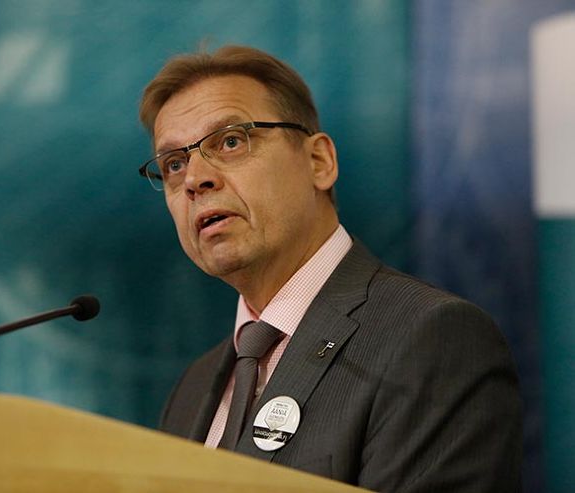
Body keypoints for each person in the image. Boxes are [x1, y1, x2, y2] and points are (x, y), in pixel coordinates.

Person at [137, 45, 522, 492]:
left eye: (231, 141)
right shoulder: (193, 388)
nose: (194, 179)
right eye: (174, 164)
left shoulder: (432, 339)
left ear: (319, 162)